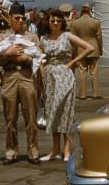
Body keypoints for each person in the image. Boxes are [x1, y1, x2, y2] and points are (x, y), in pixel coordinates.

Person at [0, 2, 44, 165]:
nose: (20, 21)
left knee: (31, 118)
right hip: (9, 77)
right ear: (10, 18)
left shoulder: (31, 37)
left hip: (27, 76)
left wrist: (26, 58)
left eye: (22, 18)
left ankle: (33, 150)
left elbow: (39, 58)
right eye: (16, 18)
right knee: (10, 118)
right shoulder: (2, 37)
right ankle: (11, 151)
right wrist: (8, 54)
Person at [39, 10, 92, 162]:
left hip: (65, 75)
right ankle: (55, 150)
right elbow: (40, 57)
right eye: (52, 21)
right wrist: (42, 71)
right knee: (52, 111)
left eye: (58, 20)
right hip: (49, 77)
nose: (55, 23)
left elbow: (89, 47)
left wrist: (73, 62)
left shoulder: (67, 36)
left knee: (65, 112)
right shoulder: (43, 39)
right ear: (47, 22)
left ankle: (67, 150)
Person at [70, 4, 103, 99]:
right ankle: (96, 93)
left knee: (82, 73)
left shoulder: (75, 23)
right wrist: (100, 49)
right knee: (94, 72)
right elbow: (99, 37)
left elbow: (73, 39)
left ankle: (82, 94)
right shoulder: (96, 22)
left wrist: (73, 52)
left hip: (80, 49)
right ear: (89, 11)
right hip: (94, 48)